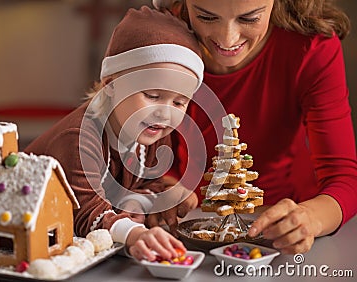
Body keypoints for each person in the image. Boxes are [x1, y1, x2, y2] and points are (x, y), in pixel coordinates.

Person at [152, 0, 357, 254]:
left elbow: (343, 179)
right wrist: (164, 188)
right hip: (188, 236)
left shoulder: (310, 48)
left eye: (249, 19)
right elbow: (156, 149)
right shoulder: (161, 37)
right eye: (206, 17)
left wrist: (309, 217)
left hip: (283, 239)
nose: (227, 39)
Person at [25, 6, 204, 261]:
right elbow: (87, 212)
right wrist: (135, 234)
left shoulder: (152, 131)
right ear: (111, 85)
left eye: (179, 102)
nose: (165, 114)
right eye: (152, 96)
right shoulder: (80, 137)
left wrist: (155, 198)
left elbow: (146, 183)